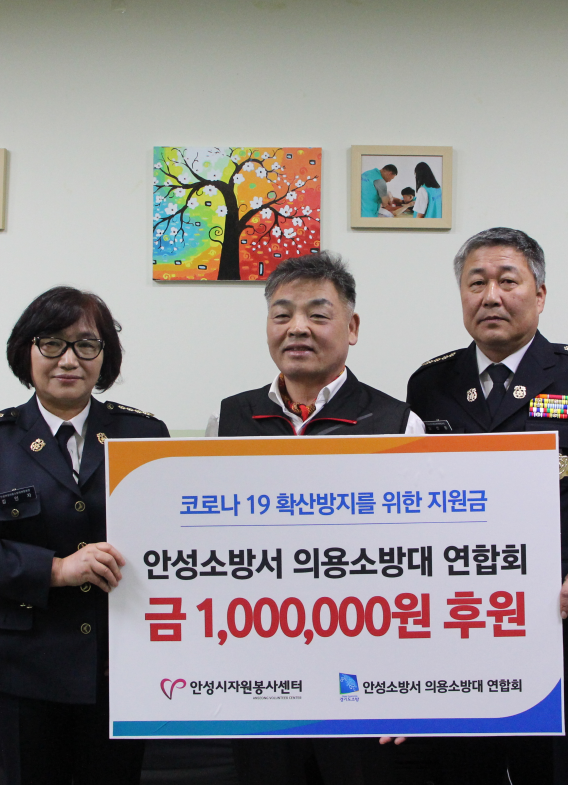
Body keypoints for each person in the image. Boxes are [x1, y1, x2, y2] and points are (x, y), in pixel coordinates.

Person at [402, 227, 568, 785]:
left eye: (507, 281)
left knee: (549, 774)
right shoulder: (429, 384)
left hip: (554, 626)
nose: (491, 296)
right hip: (458, 629)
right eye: (476, 283)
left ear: (540, 294)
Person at [0, 286, 169, 785]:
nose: (69, 360)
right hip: (22, 670)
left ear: (104, 357)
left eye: (86, 345)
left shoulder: (144, 436)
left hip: (118, 666)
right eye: (51, 343)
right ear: (26, 351)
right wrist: (57, 569)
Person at [218, 251, 424, 785]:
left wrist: (409, 683)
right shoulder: (229, 419)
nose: (297, 328)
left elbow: (421, 562)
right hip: (260, 673)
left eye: (317, 314)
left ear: (351, 328)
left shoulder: (397, 422)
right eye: (282, 314)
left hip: (363, 673)